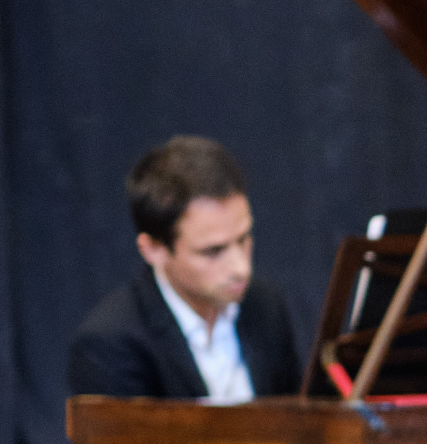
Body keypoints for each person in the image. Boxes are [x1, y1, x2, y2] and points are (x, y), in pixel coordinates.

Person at [69, 135, 301, 400]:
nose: (240, 267)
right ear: (153, 250)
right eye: (213, 251)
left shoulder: (266, 305)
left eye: (243, 239)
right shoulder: (110, 343)